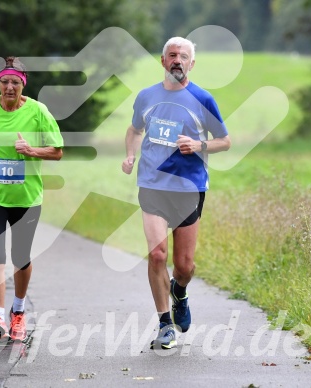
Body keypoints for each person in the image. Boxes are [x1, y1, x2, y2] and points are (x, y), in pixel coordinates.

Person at [121, 37, 231, 350]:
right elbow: (134, 129)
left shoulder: (203, 99)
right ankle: (164, 324)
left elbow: (225, 140)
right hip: (152, 185)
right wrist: (130, 155)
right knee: (157, 254)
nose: (177, 61)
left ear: (192, 63)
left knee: (185, 266)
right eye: (172, 55)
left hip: (188, 187)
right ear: (163, 60)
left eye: (183, 56)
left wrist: (200, 146)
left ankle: (179, 291)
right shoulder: (146, 96)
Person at [0, 56, 64, 342]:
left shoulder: (38, 111)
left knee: (21, 258)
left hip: (27, 196)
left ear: (23, 85)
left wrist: (32, 150)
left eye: (15, 83)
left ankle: (18, 311)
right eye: (5, 82)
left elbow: (57, 151)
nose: (10, 87)